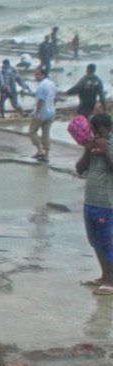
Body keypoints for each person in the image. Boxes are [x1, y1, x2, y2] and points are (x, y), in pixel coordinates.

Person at [75, 113, 113, 295]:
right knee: (95, 241)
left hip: (106, 203)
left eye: (98, 131)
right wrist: (87, 151)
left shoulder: (110, 145)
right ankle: (104, 276)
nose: (96, 134)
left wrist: (106, 152)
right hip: (90, 201)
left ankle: (111, 281)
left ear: (107, 129)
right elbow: (79, 169)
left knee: (106, 242)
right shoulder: (93, 146)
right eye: (94, 131)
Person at [29, 66, 57, 161]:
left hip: (42, 112)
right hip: (51, 112)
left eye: (37, 74)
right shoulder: (52, 83)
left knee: (32, 131)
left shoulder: (42, 85)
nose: (35, 76)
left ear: (42, 75)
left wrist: (37, 111)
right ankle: (46, 155)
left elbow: (41, 100)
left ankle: (40, 150)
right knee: (46, 133)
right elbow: (54, 97)